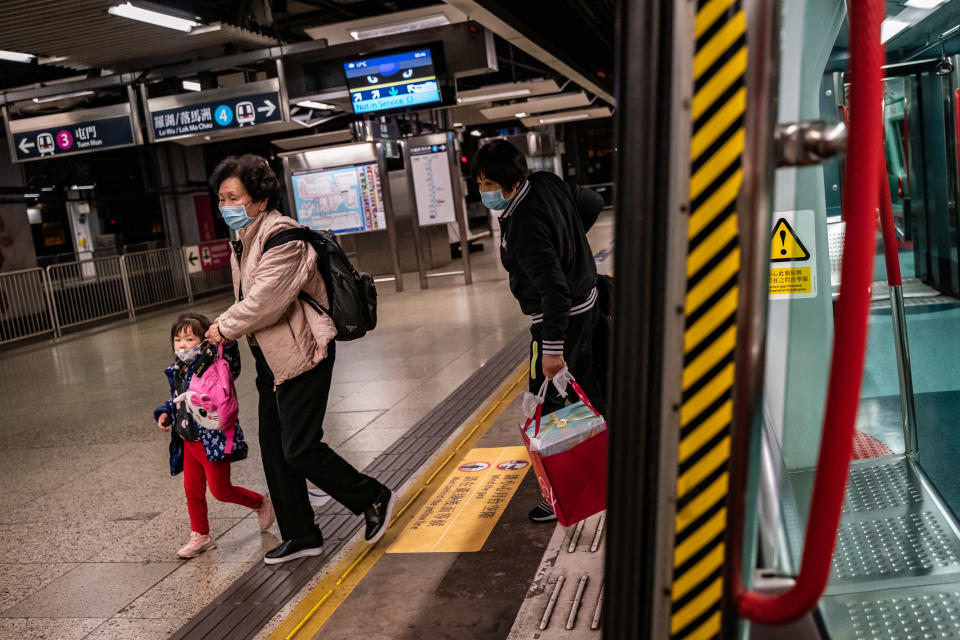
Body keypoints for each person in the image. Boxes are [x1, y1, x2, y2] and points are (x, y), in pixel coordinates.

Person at [204, 154, 394, 565]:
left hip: (303, 353)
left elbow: (263, 303)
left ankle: (371, 496)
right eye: (221, 198)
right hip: (269, 358)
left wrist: (222, 326)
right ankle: (301, 534)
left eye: (233, 197)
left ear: (259, 199)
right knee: (274, 450)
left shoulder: (284, 239)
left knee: (299, 447)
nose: (225, 206)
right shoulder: (246, 238)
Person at [472, 139, 606, 523]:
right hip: (590, 305)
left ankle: (562, 491)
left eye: (489, 183)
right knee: (591, 392)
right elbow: (592, 203)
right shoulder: (546, 182)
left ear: (512, 182)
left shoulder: (524, 223)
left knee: (551, 403)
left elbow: (553, 291)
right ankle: (605, 470)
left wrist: (551, 350)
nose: (484, 191)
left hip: (561, 320)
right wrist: (570, 240)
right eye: (480, 183)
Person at [155, 313, 274, 559]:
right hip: (189, 441)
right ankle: (201, 536)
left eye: (189, 339)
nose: (182, 345)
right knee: (192, 492)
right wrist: (166, 413)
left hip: (212, 441)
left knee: (221, 491)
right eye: (177, 340)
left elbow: (232, 360)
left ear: (204, 340)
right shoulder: (178, 369)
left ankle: (260, 502)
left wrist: (225, 339)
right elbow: (177, 399)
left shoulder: (215, 364)